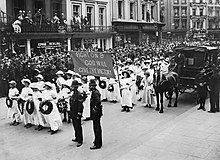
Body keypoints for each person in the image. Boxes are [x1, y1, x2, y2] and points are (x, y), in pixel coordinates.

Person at [70, 80, 86, 147]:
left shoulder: (79, 95)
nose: (72, 88)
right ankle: (77, 137)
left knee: (78, 126)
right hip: (73, 112)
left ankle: (80, 140)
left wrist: (79, 113)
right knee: (74, 126)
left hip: (77, 113)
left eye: (74, 87)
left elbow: (80, 105)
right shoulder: (73, 94)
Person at [89, 79, 103, 149]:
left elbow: (98, 101)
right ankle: (97, 141)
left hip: (96, 113)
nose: (89, 87)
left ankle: (97, 144)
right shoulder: (94, 92)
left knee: (96, 128)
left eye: (91, 86)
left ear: (93, 86)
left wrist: (95, 108)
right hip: (96, 112)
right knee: (96, 127)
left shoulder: (95, 93)